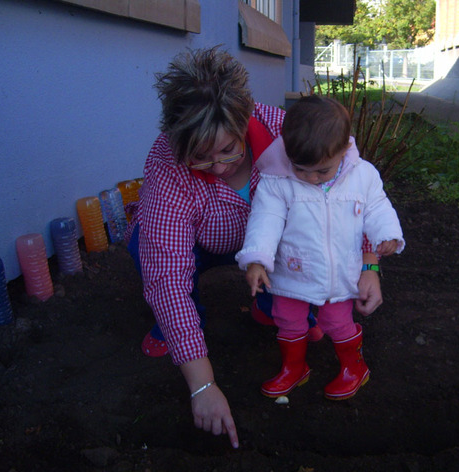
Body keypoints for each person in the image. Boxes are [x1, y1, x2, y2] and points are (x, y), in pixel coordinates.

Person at [125, 48, 384, 448]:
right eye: (200, 157)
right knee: (147, 250)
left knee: (293, 288)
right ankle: (177, 327)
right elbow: (167, 273)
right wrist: (202, 386)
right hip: (202, 242)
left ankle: (269, 306)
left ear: (245, 120)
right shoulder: (167, 163)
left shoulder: (290, 129)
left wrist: (370, 265)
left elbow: (356, 196)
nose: (219, 167)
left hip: (273, 242)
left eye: (229, 149)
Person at [236, 95, 405, 400]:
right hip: (291, 271)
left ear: (344, 150)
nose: (311, 178)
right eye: (301, 169)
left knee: (336, 321)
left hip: (338, 273)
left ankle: (354, 368)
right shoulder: (277, 180)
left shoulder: (362, 176)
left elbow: (377, 207)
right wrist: (257, 259)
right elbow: (265, 219)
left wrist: (387, 234)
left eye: (322, 171)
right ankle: (294, 368)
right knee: (287, 319)